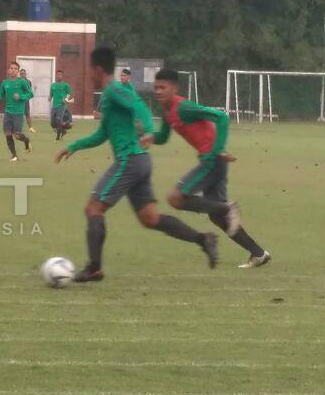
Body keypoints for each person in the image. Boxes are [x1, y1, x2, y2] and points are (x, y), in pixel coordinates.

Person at [55, 48, 219, 283]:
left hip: (130, 161)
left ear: (97, 69)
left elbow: (139, 107)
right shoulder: (109, 94)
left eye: (90, 69)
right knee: (150, 218)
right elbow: (103, 133)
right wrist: (74, 146)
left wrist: (150, 131)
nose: (89, 73)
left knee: (93, 209)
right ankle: (204, 239)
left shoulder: (115, 89)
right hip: (140, 161)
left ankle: (93, 268)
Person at [145, 69, 271, 269]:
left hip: (212, 161)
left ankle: (227, 208)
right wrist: (149, 136)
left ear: (174, 88)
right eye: (156, 88)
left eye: (163, 87)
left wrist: (218, 149)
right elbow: (163, 137)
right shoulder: (167, 112)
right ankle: (258, 253)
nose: (158, 91)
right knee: (218, 218)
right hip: (212, 161)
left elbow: (221, 117)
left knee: (175, 198)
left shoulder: (184, 107)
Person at [0, 62, 33, 161]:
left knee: (16, 135)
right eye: (11, 68)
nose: (13, 70)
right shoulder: (5, 83)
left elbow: (30, 94)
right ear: (8, 70)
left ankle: (26, 141)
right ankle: (14, 155)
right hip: (8, 112)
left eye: (15, 68)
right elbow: (1, 95)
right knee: (7, 134)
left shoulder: (22, 82)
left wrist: (20, 97)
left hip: (18, 113)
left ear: (18, 71)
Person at [49, 70, 74, 141]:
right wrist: (50, 98)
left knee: (58, 120)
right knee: (52, 123)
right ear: (56, 76)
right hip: (54, 105)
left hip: (62, 105)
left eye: (60, 75)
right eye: (57, 75)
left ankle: (58, 137)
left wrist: (66, 99)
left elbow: (71, 94)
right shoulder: (53, 85)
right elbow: (51, 94)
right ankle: (63, 131)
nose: (58, 76)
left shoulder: (65, 85)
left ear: (62, 76)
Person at [19, 68, 36, 132]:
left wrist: (26, 97)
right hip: (19, 100)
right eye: (21, 73)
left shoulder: (28, 82)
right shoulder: (17, 81)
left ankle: (30, 127)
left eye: (23, 73)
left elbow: (29, 92)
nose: (22, 74)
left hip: (25, 100)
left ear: (25, 74)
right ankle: (19, 127)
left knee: (27, 114)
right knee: (19, 115)